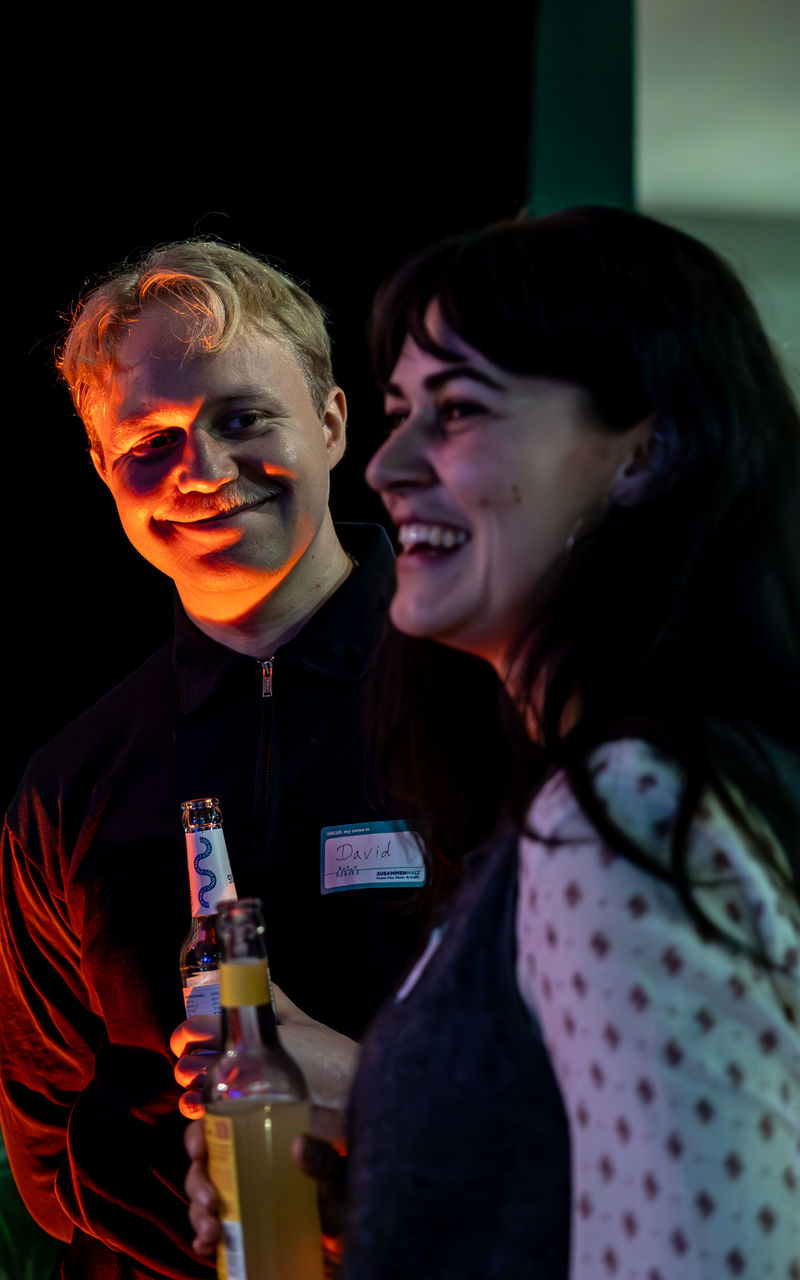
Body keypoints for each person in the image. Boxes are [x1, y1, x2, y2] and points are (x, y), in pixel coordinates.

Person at [183, 207, 800, 1277]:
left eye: (459, 409)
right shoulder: (620, 782)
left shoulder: (621, 809)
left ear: (645, 448)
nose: (389, 464)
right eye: (399, 409)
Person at [0, 240, 431, 1279]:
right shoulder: (74, 782)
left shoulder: (483, 702)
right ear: (103, 469)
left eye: (243, 418)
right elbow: (50, 1153)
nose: (203, 470)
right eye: (150, 440)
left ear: (330, 423)